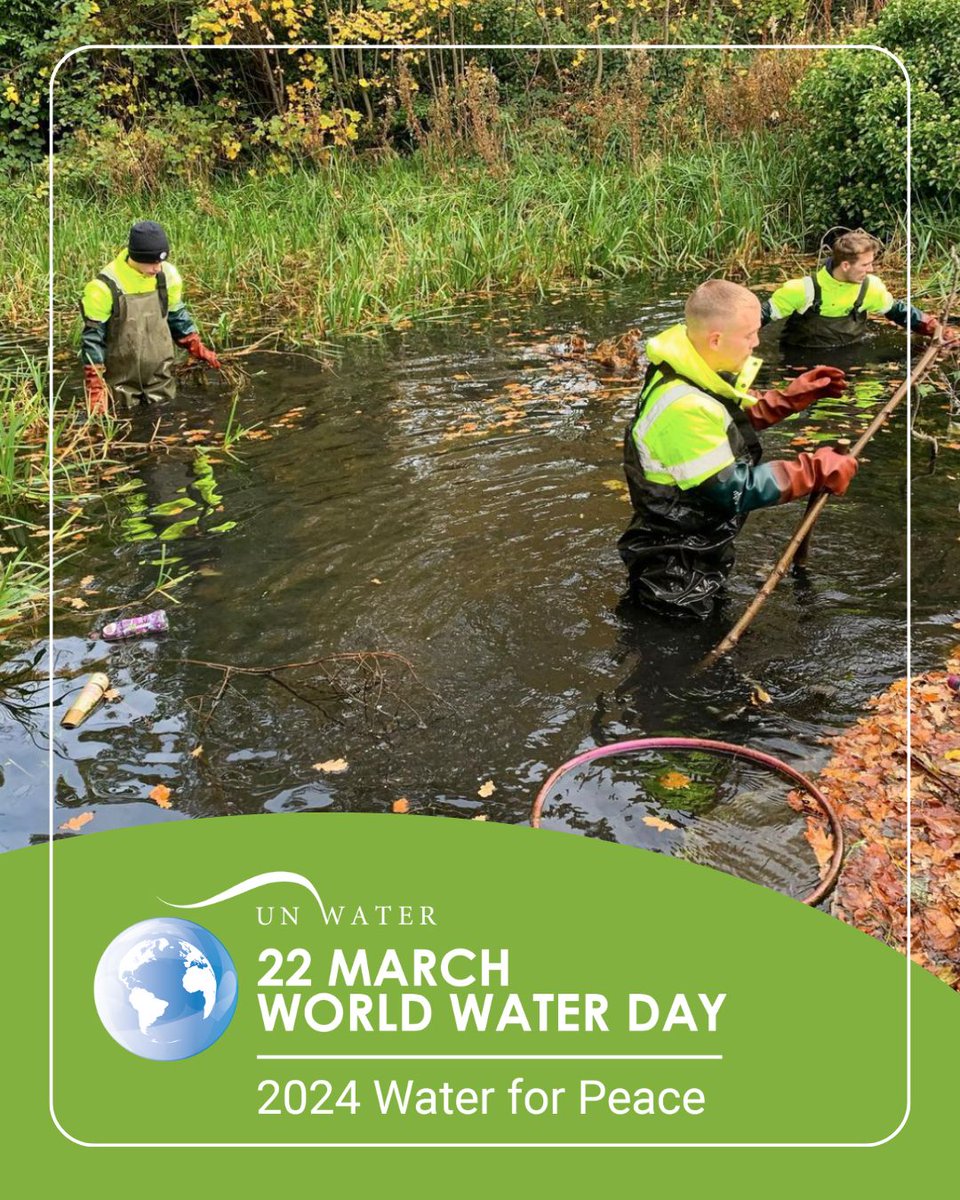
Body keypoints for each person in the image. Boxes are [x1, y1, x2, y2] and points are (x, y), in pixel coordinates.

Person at [618, 279, 858, 618]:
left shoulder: (690, 368)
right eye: (749, 335)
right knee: (679, 654)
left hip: (691, 547)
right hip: (676, 570)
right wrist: (813, 471)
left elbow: (721, 419)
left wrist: (786, 401)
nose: (756, 343)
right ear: (716, 339)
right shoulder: (682, 408)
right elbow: (733, 489)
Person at [80, 220, 222, 415]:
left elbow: (176, 316)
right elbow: (93, 340)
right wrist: (95, 387)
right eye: (152, 262)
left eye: (160, 261)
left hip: (160, 381)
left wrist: (195, 345)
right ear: (135, 257)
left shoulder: (168, 275)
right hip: (120, 386)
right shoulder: (102, 287)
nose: (157, 268)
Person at [761, 229, 956, 350]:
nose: (871, 270)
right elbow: (758, 318)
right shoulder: (801, 290)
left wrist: (938, 330)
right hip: (799, 364)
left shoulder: (871, 288)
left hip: (850, 359)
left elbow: (901, 313)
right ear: (845, 265)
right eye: (865, 265)